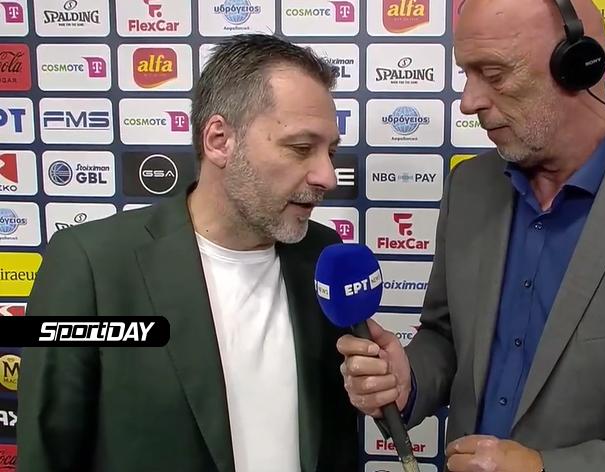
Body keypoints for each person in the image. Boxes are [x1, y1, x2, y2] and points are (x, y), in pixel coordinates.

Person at [337, 0, 605, 470]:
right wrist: (410, 378)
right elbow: (446, 335)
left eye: (494, 74)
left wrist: (546, 467)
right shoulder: (469, 187)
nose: (468, 101)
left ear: (578, 65)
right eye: (467, 73)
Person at [17, 34, 358, 472]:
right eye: (301, 148)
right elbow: (47, 452)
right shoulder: (92, 266)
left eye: (331, 152)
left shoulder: (324, 257)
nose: (327, 176)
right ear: (219, 140)